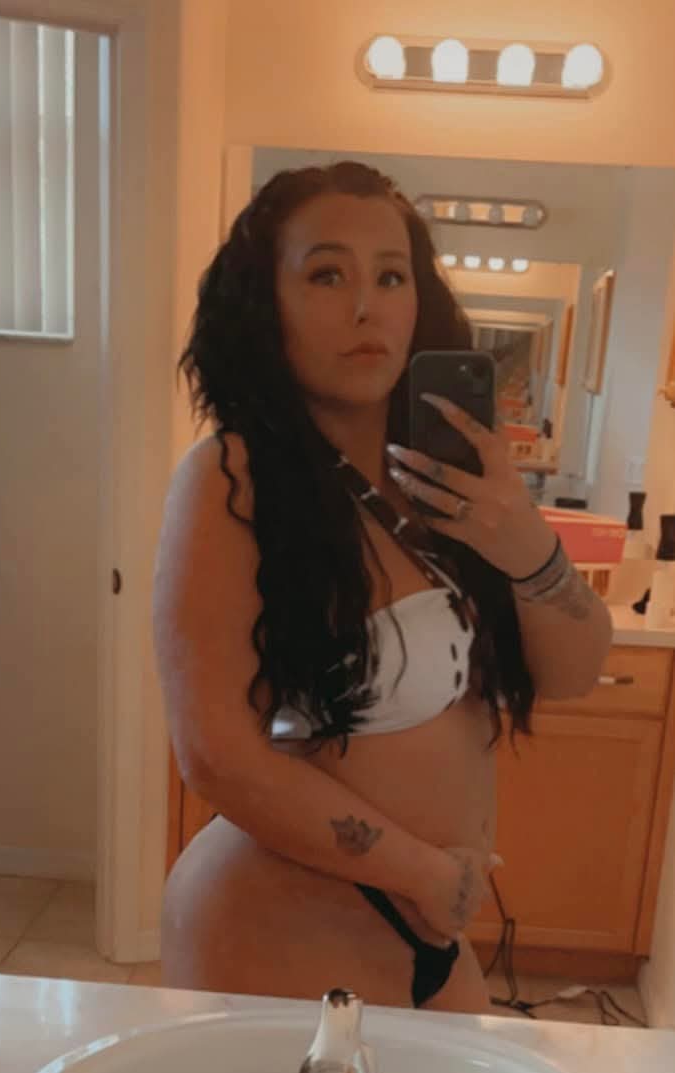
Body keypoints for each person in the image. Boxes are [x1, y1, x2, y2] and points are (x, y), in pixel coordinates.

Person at [153, 161, 612, 1013]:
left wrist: (525, 544)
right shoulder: (232, 478)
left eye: (391, 276)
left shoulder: (448, 485)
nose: (367, 306)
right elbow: (214, 753)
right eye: (327, 275)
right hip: (281, 920)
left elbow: (575, 671)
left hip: (431, 928)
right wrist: (423, 871)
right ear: (266, 301)